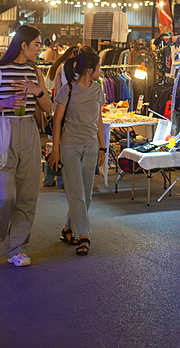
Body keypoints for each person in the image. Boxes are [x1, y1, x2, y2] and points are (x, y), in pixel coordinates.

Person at [0, 24, 54, 267]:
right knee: (5, 195)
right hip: (3, 132)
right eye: (37, 45)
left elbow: (49, 108)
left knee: (28, 195)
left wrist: (36, 91)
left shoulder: (35, 72)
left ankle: (17, 248)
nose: (39, 49)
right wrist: (5, 102)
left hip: (29, 132)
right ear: (24, 45)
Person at [47, 46, 106, 256]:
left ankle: (67, 228)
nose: (101, 71)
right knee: (76, 193)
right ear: (89, 69)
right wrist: (56, 150)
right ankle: (84, 236)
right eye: (99, 67)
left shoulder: (98, 89)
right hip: (70, 146)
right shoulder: (68, 89)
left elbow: (98, 118)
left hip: (91, 146)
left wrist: (102, 146)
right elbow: (57, 121)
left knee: (86, 194)